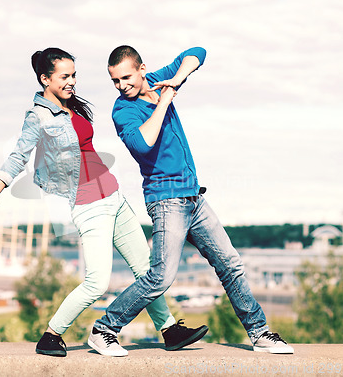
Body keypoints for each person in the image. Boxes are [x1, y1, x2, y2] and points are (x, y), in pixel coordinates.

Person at [0, 47, 207, 358]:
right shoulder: (38, 116)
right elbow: (17, 157)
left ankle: (169, 330)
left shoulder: (73, 108)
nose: (72, 82)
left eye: (74, 75)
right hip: (88, 203)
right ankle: (51, 335)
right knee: (97, 282)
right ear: (45, 79)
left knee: (145, 270)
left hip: (113, 197)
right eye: (64, 77)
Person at [87, 46, 294, 355]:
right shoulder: (122, 110)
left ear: (142, 69)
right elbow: (144, 144)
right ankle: (104, 330)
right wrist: (167, 98)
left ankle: (260, 333)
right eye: (115, 81)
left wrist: (177, 79)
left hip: (194, 198)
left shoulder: (158, 79)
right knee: (161, 277)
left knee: (231, 264)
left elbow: (198, 52)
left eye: (126, 77)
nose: (121, 86)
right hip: (166, 201)